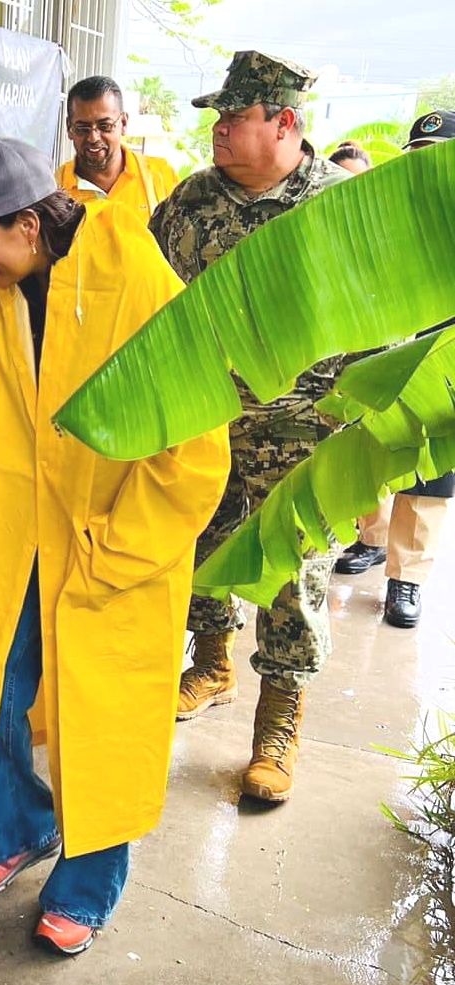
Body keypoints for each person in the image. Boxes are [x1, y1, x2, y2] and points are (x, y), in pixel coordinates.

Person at [0, 136, 230, 956]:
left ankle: (87, 886)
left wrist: (120, 548)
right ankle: (13, 829)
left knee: (101, 725)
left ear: (25, 224)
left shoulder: (137, 279)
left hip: (113, 543)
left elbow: (195, 446)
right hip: (19, 536)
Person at [149, 50, 349, 803]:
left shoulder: (336, 203)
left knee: (289, 579)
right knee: (197, 547)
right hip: (203, 421)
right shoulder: (190, 203)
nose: (219, 130)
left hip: (303, 430)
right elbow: (145, 303)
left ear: (284, 122)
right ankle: (210, 664)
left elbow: (381, 327)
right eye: (217, 118)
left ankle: (278, 725)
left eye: (234, 118)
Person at [334, 109, 455, 628]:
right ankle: (372, 540)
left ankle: (406, 579)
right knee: (374, 450)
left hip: (442, 355)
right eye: (418, 156)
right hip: (386, 350)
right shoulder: (390, 211)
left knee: (429, 475)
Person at [56, 75, 179, 221]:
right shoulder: (54, 189)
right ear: (69, 128)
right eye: (83, 128)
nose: (93, 138)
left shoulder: (161, 176)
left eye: (105, 126)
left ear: (124, 123)